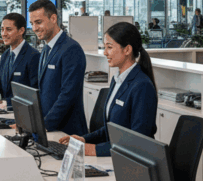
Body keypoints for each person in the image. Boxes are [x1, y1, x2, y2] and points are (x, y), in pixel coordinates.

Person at [60, 22, 157, 156]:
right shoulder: (116, 80)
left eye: (109, 47)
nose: (105, 52)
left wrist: (94, 149)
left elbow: (138, 141)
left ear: (127, 50)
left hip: (135, 161)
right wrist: (84, 139)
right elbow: (109, 129)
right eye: (104, 47)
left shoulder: (142, 86)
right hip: (115, 155)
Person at [28, 0, 88, 136]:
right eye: (32, 23)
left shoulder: (71, 49)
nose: (34, 28)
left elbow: (68, 94)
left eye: (38, 22)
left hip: (67, 132)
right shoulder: (46, 49)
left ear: (53, 18)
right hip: (49, 130)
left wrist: (44, 126)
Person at [0, 13, 39, 108]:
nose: (4, 34)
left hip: (22, 112)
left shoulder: (34, 56)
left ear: (21, 30)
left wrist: (2, 103)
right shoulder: (5, 55)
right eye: (2, 29)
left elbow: (34, 93)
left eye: (9, 29)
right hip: (5, 112)